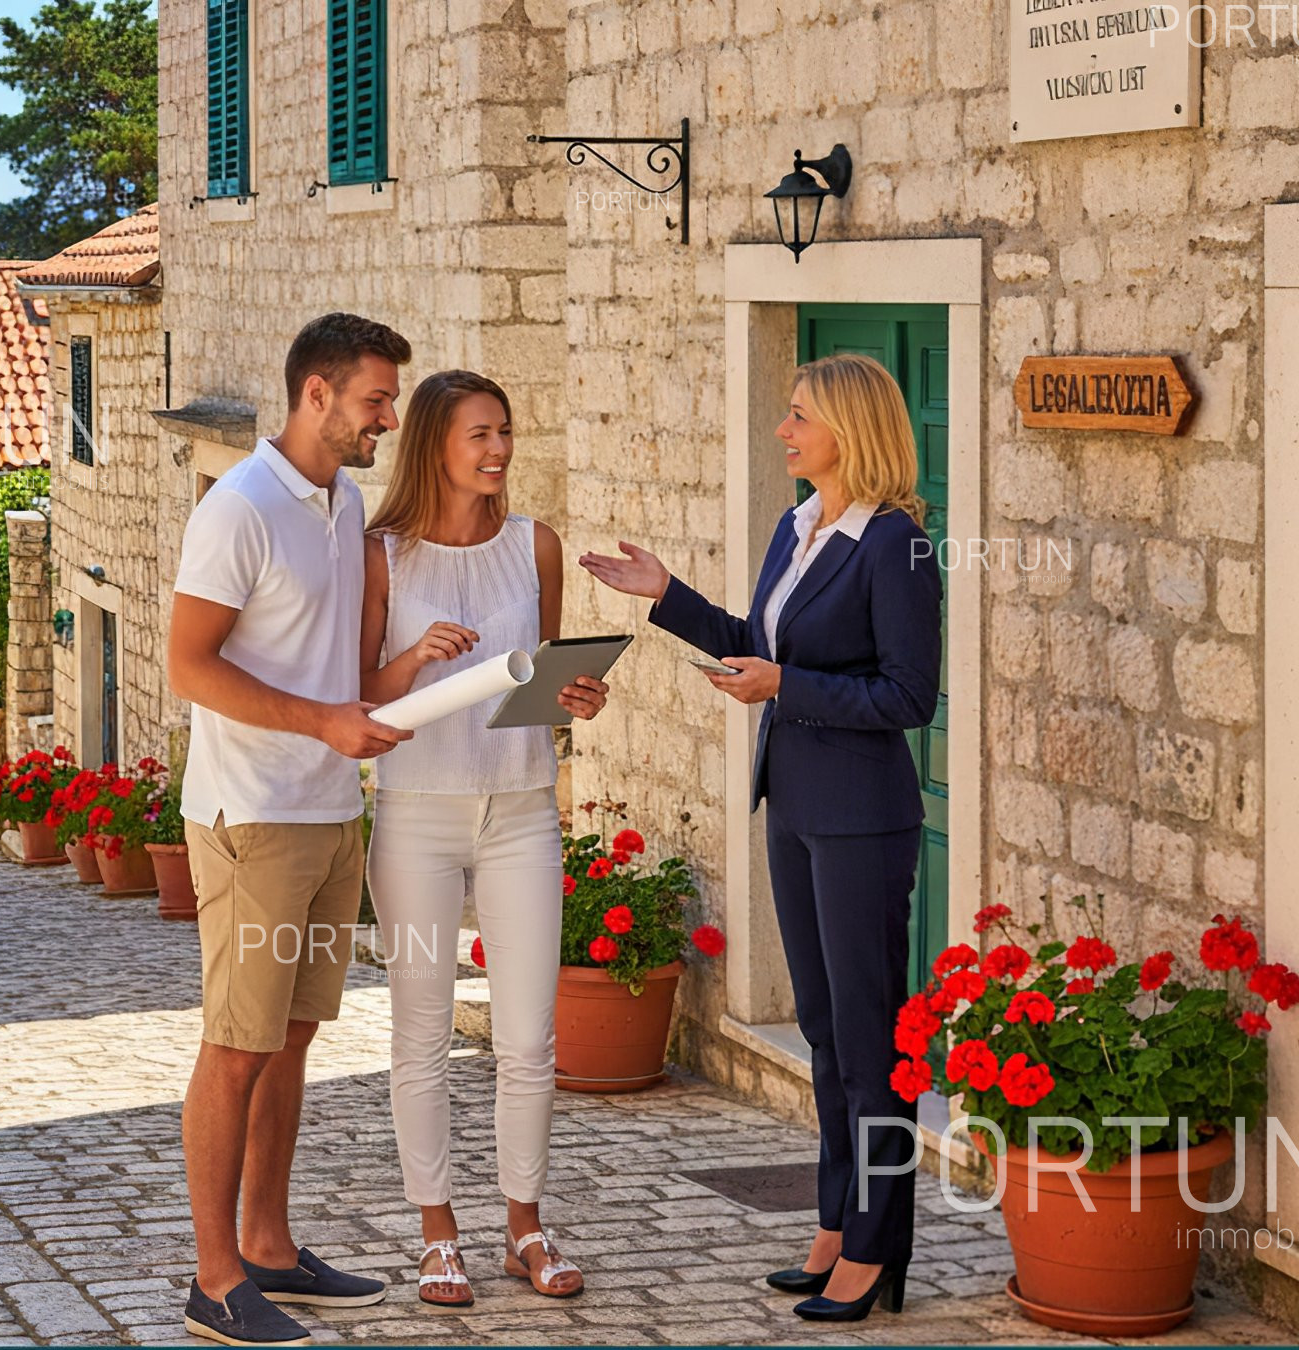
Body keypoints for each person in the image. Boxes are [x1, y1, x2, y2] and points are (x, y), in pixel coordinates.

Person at [580, 352, 940, 1324]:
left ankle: (878, 1247)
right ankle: (836, 1223)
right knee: (825, 1033)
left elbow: (912, 696)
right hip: (793, 807)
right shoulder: (797, 526)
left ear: (849, 430)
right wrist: (668, 596)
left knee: (872, 1042)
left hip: (866, 819)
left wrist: (789, 691)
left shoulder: (897, 545)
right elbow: (761, 641)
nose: (783, 431)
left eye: (799, 417)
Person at [168, 313, 417, 1348]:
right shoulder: (240, 509)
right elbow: (191, 665)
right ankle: (213, 1277)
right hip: (252, 815)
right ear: (317, 394)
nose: (389, 421)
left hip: (328, 811)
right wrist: (320, 721)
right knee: (235, 1044)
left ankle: (269, 1246)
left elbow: (338, 673)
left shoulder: (342, 500)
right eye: (375, 401)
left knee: (294, 1035)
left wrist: (395, 690)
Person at [357, 370, 608, 1308]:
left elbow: (538, 679)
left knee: (527, 1036)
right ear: (434, 444)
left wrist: (576, 696)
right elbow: (359, 694)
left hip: (521, 807)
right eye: (480, 435)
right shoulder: (384, 555)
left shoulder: (534, 546)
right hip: (416, 811)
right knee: (420, 1030)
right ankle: (436, 1234)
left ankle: (526, 1226)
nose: (499, 450)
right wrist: (414, 661)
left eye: (505, 432)